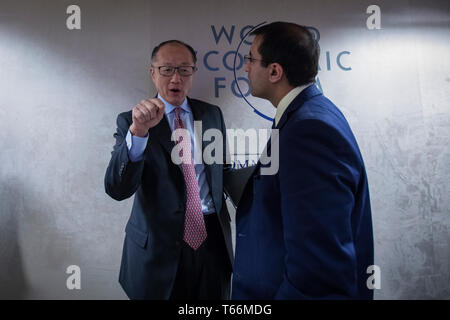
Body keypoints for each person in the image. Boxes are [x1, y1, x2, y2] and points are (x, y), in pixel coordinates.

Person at [232, 22, 374, 299]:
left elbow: (317, 270)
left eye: (250, 59)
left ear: (274, 71)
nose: (246, 67)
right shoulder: (308, 115)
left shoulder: (308, 130)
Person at [104, 40, 233, 299]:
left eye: (185, 69)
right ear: (153, 73)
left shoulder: (211, 114)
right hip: (158, 248)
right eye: (167, 69)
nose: (176, 77)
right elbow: (117, 189)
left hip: (211, 243)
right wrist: (139, 133)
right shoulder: (132, 120)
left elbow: (222, 170)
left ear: (193, 73)